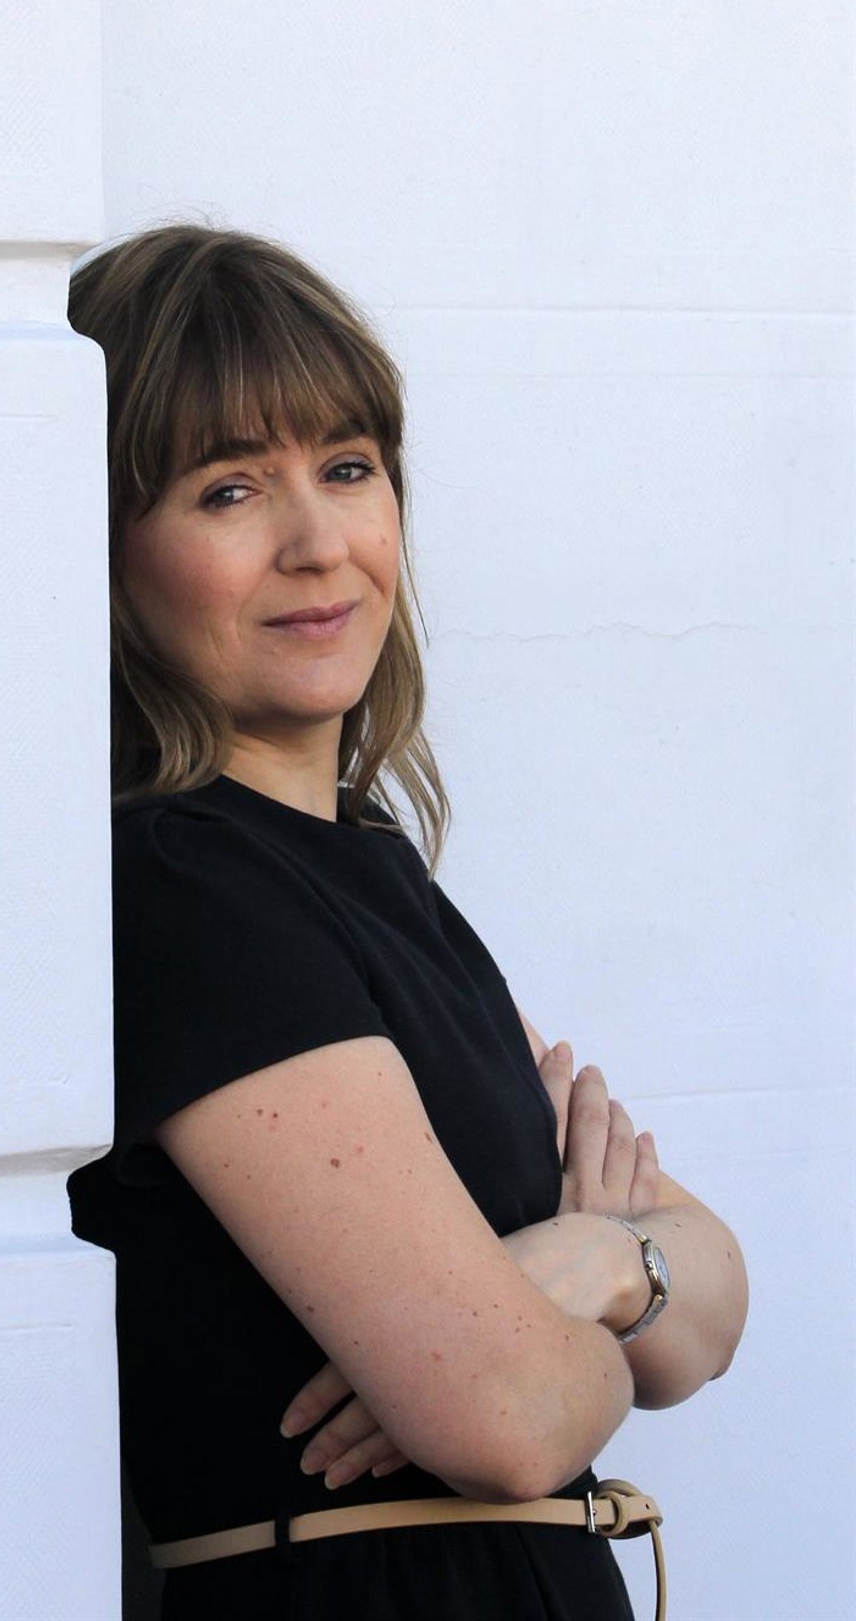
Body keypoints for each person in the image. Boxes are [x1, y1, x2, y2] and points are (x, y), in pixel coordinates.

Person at [67, 224, 748, 1621]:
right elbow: (509, 1415)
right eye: (228, 489)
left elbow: (715, 1309)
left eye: (349, 468)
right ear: (108, 550)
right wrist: (591, 1310)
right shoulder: (188, 888)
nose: (319, 544)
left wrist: (594, 1261)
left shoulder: (372, 868)